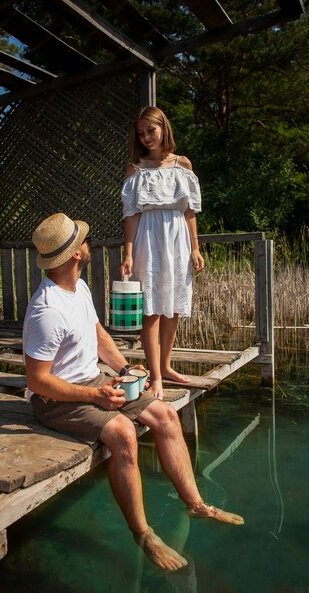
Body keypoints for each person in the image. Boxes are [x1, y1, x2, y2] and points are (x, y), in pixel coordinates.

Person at [23, 212, 244, 573]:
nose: (87, 242)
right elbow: (37, 382)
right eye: (83, 239)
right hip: (55, 401)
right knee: (124, 434)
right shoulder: (46, 309)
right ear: (76, 253)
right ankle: (143, 534)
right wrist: (94, 397)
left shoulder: (78, 287)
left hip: (93, 381)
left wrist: (125, 369)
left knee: (165, 414)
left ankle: (196, 504)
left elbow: (98, 335)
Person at [120, 106, 205, 400]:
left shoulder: (183, 165)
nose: (146, 137)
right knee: (152, 309)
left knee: (173, 307)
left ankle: (166, 367)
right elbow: (131, 214)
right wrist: (128, 253)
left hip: (178, 238)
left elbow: (190, 210)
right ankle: (155, 376)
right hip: (148, 238)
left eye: (150, 130)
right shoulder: (136, 168)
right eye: (140, 133)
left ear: (163, 128)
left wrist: (195, 247)